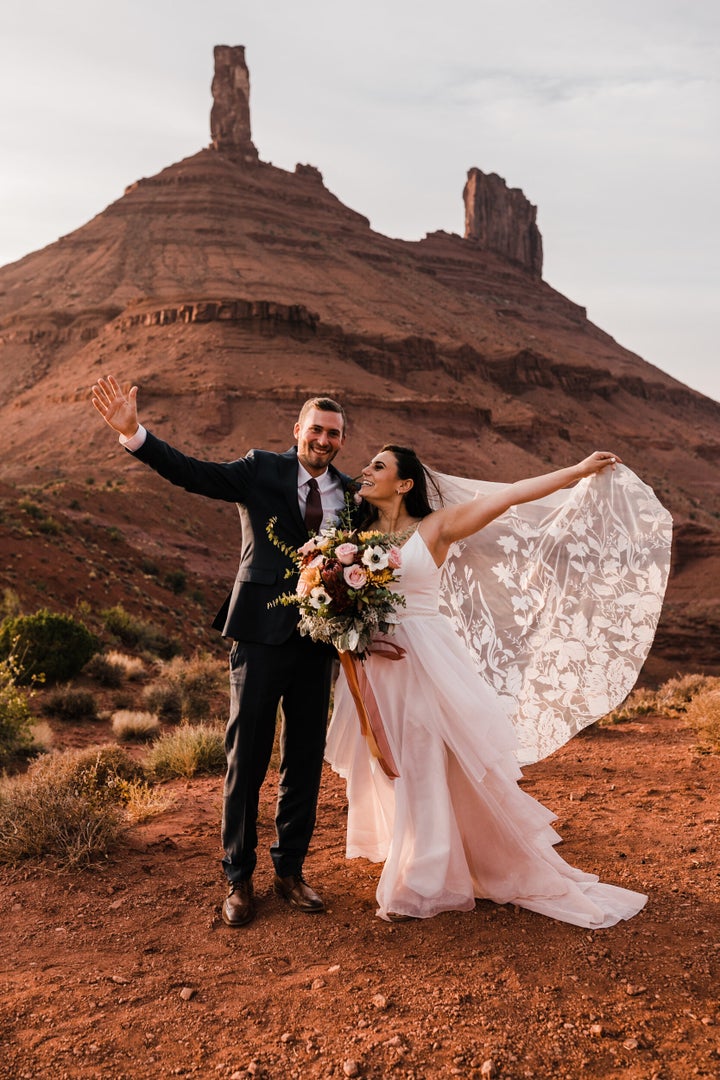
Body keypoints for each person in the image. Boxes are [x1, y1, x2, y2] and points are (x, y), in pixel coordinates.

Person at [326, 444, 671, 927]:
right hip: (376, 666)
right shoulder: (350, 540)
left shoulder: (436, 528)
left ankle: (423, 879)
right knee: (397, 766)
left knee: (427, 759)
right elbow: (342, 601)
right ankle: (431, 857)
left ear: (405, 484)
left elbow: (507, 497)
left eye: (378, 466)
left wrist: (575, 471)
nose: (365, 470)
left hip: (427, 661)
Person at [91, 375, 357, 927]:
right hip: (257, 635)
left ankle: (290, 872)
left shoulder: (351, 495)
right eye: (316, 430)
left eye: (333, 433)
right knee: (246, 760)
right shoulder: (261, 468)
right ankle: (238, 878)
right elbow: (194, 473)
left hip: (317, 644)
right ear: (298, 430)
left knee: (304, 762)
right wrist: (134, 434)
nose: (324, 440)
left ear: (341, 440)